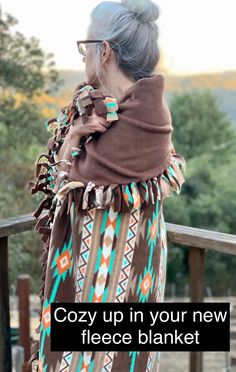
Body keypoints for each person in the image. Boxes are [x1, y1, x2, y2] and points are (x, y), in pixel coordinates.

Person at [28, 0, 187, 371]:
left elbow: (66, 184)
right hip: (92, 279)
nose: (83, 57)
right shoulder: (97, 110)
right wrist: (72, 139)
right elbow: (61, 184)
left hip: (118, 282)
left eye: (86, 46)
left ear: (105, 52)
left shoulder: (145, 122)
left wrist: (71, 148)